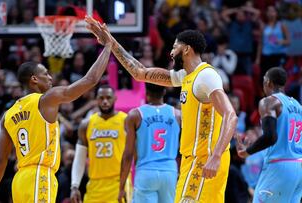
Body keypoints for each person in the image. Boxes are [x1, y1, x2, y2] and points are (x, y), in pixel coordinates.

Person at [85, 16, 237, 203]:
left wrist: (215, 156)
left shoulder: (206, 76)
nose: (171, 53)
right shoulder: (185, 77)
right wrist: (110, 42)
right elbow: (140, 73)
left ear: (187, 49)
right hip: (192, 161)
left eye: (174, 47)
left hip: (204, 159)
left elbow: (231, 115)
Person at [0, 26, 113, 203]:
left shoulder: (7, 115)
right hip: (40, 175)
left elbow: (0, 160)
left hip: (19, 181)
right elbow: (90, 80)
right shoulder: (46, 99)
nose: (51, 77)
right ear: (34, 79)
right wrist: (108, 46)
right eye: (45, 73)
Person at [237, 67, 302, 203]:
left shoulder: (269, 102)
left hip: (279, 165)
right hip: (298, 166)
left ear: (268, 82)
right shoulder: (298, 106)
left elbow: (270, 137)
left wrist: (247, 152)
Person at [118, 83, 181, 203]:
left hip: (145, 171)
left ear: (146, 93)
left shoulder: (135, 115)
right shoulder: (178, 115)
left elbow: (128, 154)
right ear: (164, 92)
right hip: (169, 172)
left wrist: (121, 187)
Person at [70, 85, 129, 203]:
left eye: (108, 98)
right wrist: (74, 185)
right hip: (94, 185)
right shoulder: (86, 124)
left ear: (115, 99)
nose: (105, 101)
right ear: (96, 99)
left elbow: (135, 154)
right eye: (101, 98)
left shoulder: (126, 121)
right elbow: (79, 158)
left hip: (118, 183)